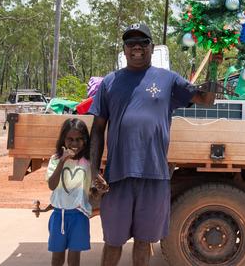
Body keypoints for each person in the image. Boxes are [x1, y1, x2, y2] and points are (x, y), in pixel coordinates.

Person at [89, 23, 217, 266]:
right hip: (117, 176)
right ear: (124, 49)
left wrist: (213, 64)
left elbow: (206, 100)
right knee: (113, 242)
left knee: (143, 241)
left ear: (152, 47)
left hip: (155, 175)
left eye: (143, 42)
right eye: (131, 42)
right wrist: (93, 171)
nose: (137, 46)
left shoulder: (168, 79)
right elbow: (97, 129)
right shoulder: (110, 82)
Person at [46, 118, 107, 266]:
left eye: (79, 139)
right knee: (57, 258)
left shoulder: (88, 163)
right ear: (63, 140)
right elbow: (52, 185)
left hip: (79, 215)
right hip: (59, 215)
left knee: (74, 259)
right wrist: (62, 161)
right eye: (70, 139)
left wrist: (102, 188)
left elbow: (93, 191)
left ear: (86, 140)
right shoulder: (55, 160)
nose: (74, 144)